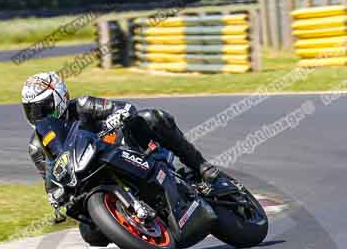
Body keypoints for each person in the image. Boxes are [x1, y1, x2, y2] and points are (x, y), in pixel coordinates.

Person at [21, 71, 222, 211]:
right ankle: (128, 222)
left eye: (42, 108)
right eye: (31, 110)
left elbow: (124, 108)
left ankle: (199, 165)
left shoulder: (82, 105)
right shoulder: (37, 146)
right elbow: (50, 178)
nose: (38, 116)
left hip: (120, 148)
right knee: (90, 235)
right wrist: (55, 195)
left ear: (59, 98)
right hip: (87, 179)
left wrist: (117, 116)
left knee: (153, 117)